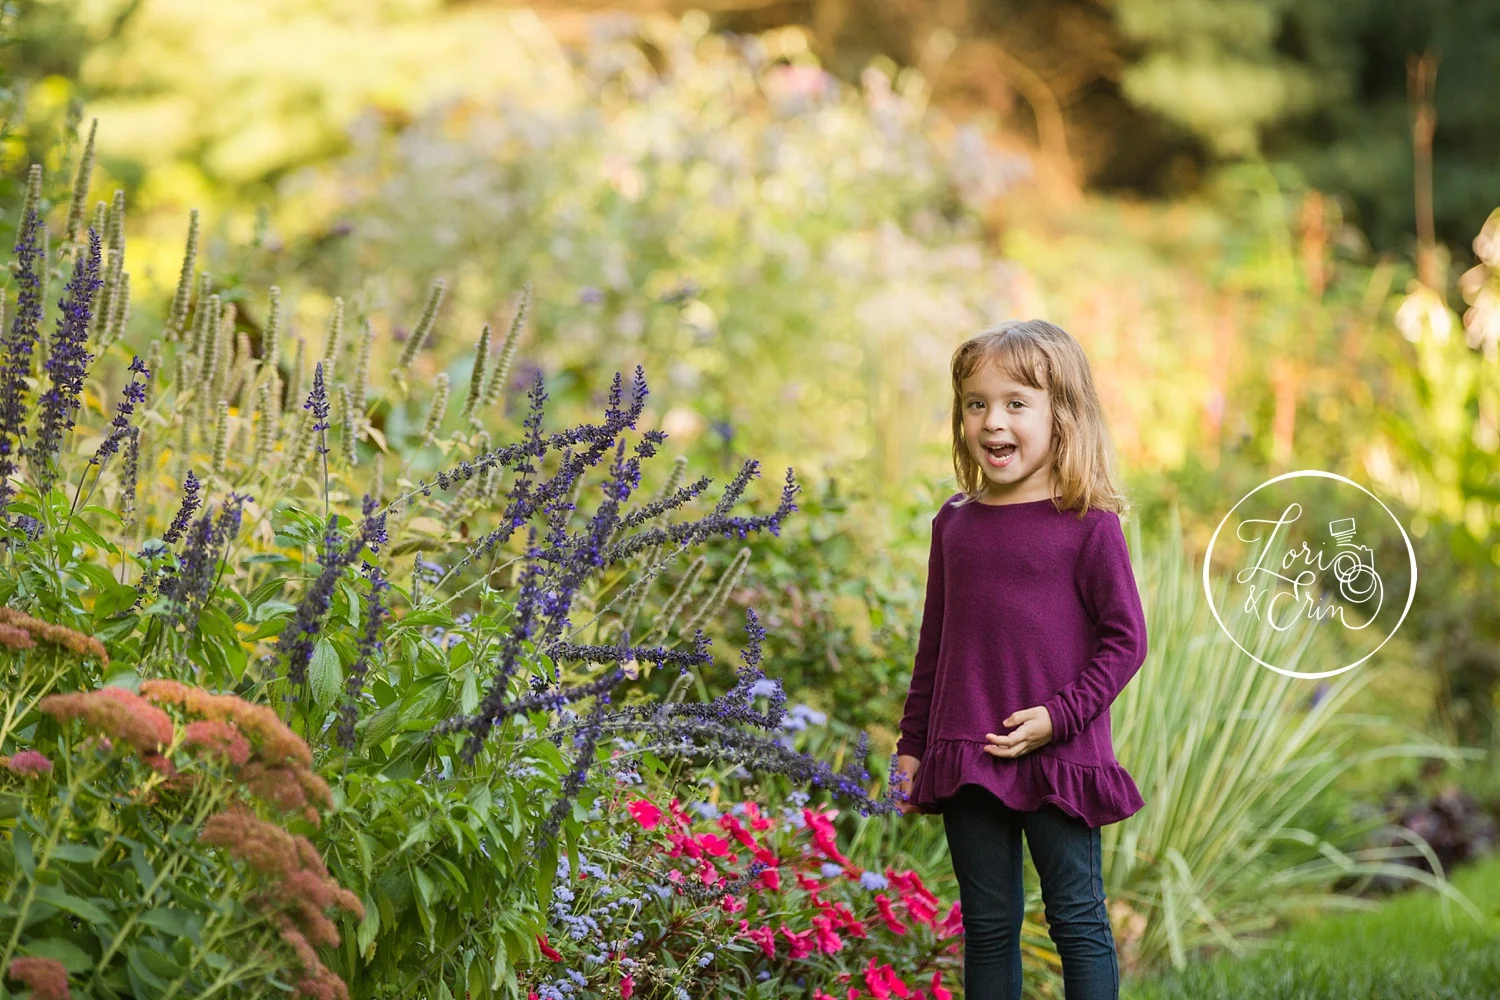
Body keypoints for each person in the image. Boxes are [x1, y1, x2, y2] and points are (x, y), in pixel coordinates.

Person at [893, 319, 1148, 1000]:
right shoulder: (955, 523)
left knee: (1076, 919)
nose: (992, 421)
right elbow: (935, 643)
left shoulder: (1089, 525)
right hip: (968, 751)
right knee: (987, 927)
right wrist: (912, 745)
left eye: (1015, 404)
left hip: (1059, 758)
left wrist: (1056, 719)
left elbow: (1126, 641)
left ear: (1060, 415)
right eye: (977, 404)